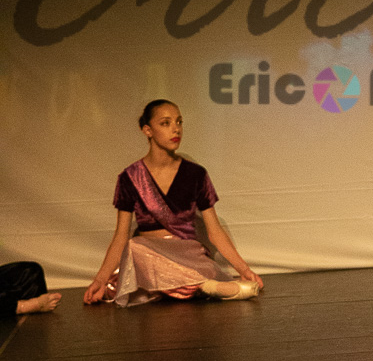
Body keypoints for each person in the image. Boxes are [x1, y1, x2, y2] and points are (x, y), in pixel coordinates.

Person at [84, 100, 264, 307]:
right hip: (149, 256)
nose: (176, 129)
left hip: (187, 255)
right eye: (165, 123)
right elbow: (120, 236)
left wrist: (244, 270)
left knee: (180, 264)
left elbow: (214, 231)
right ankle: (202, 286)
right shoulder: (130, 177)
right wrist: (100, 280)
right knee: (134, 247)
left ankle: (189, 284)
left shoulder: (196, 174)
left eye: (179, 122)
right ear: (147, 130)